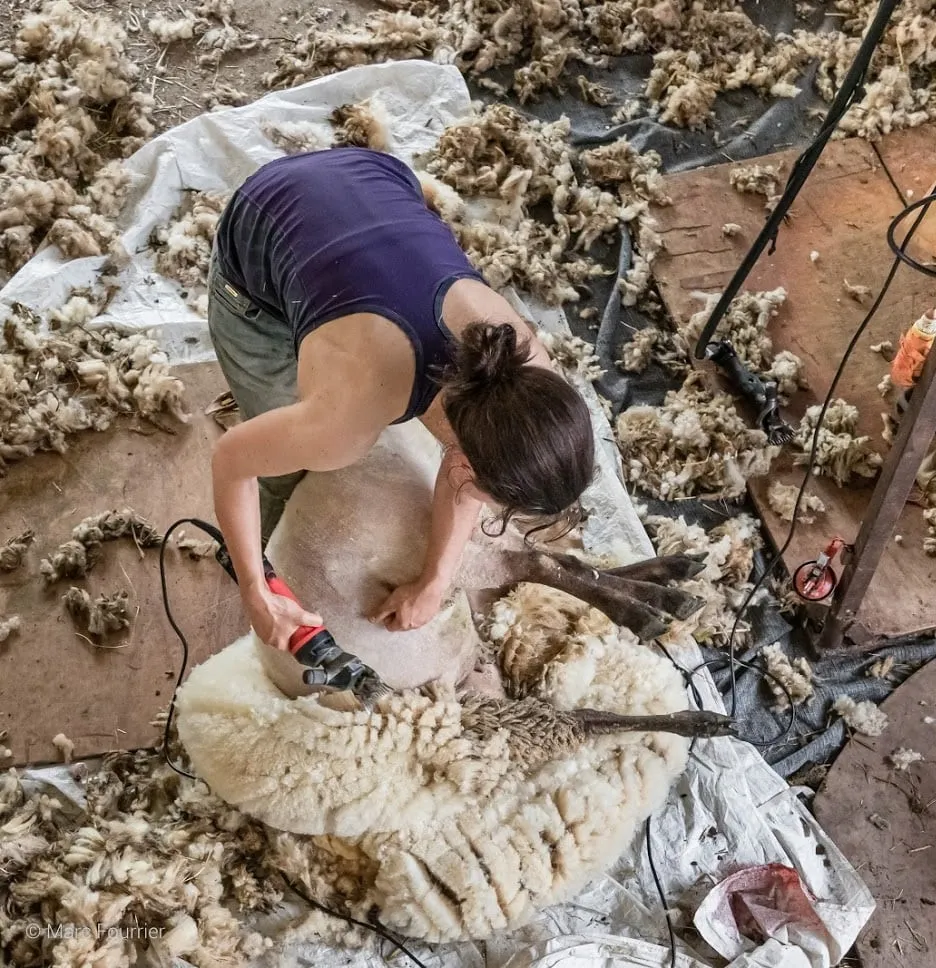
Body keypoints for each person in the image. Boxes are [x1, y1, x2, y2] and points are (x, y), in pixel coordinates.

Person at [207, 146, 595, 650]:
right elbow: (231, 459)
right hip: (259, 228)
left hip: (368, 176)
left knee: (327, 384)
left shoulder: (522, 355)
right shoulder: (341, 423)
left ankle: (319, 331)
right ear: (463, 460)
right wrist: (256, 595)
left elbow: (464, 469)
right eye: (485, 495)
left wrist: (434, 581)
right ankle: (268, 559)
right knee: (286, 469)